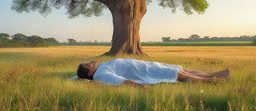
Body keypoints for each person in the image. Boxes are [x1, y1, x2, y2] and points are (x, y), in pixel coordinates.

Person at [76, 58, 230, 87]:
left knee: (182, 69)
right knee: (180, 75)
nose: (92, 62)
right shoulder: (101, 74)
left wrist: (75, 77)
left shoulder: (100, 67)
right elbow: (120, 81)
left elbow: (76, 76)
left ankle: (214, 74)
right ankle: (213, 81)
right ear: (90, 73)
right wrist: (140, 86)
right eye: (89, 65)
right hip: (145, 71)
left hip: (147, 65)